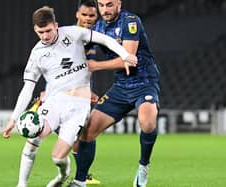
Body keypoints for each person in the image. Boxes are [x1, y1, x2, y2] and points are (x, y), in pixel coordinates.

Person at [2, 5, 137, 187]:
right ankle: (21, 184)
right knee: (33, 137)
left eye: (48, 30)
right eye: (40, 32)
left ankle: (62, 176)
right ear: (35, 29)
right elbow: (27, 88)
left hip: (78, 106)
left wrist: (125, 54)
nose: (45, 36)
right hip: (55, 102)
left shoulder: (73, 34)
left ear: (56, 25)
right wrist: (13, 118)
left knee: (58, 157)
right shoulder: (36, 55)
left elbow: (104, 39)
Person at [67, 0, 160, 187]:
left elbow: (129, 60)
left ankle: (143, 166)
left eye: (109, 4)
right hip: (120, 87)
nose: (105, 10)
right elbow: (86, 55)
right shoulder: (98, 26)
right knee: (87, 132)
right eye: (101, 5)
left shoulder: (130, 21)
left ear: (118, 3)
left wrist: (96, 66)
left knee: (147, 122)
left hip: (144, 82)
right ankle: (80, 181)